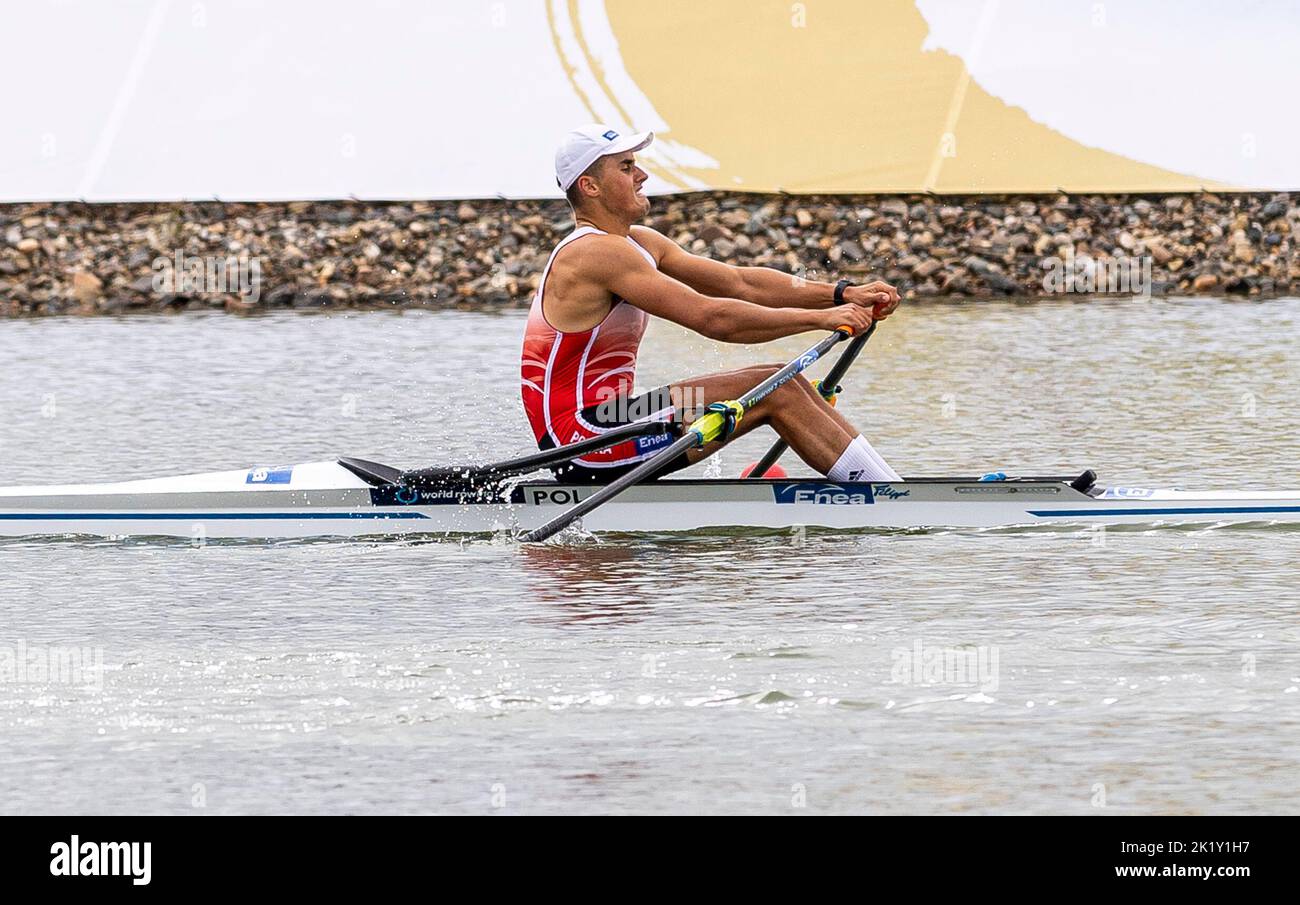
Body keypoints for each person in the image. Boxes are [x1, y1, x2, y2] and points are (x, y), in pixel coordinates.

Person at [520, 124, 902, 483]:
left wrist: (842, 293)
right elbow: (713, 318)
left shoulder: (638, 242)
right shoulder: (594, 253)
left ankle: (883, 487)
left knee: (783, 378)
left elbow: (740, 283)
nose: (642, 175)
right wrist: (823, 318)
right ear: (590, 186)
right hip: (581, 439)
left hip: (617, 416)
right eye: (626, 167)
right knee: (776, 387)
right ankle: (891, 500)